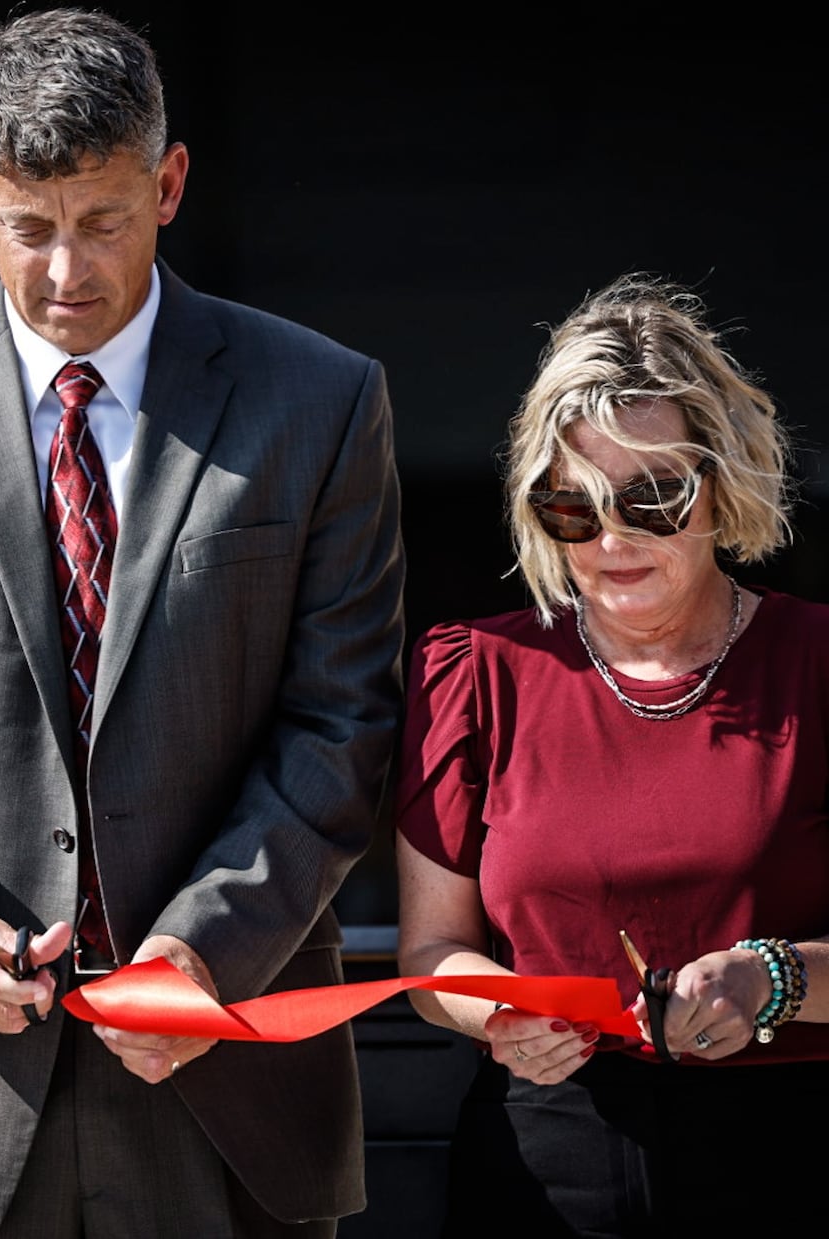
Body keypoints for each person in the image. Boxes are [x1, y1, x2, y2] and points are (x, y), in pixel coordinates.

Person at [0, 8, 404, 1237]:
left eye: (103, 222)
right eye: (28, 227)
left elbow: (344, 724)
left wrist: (204, 950)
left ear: (169, 184)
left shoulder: (320, 399)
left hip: (228, 1081)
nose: (65, 272)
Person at [394, 273, 829, 1235]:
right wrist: (496, 1012)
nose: (614, 539)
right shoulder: (477, 670)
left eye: (654, 498)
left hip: (793, 1147)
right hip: (545, 1159)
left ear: (724, 483)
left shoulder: (815, 663)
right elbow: (432, 950)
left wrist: (777, 977)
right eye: (573, 509)